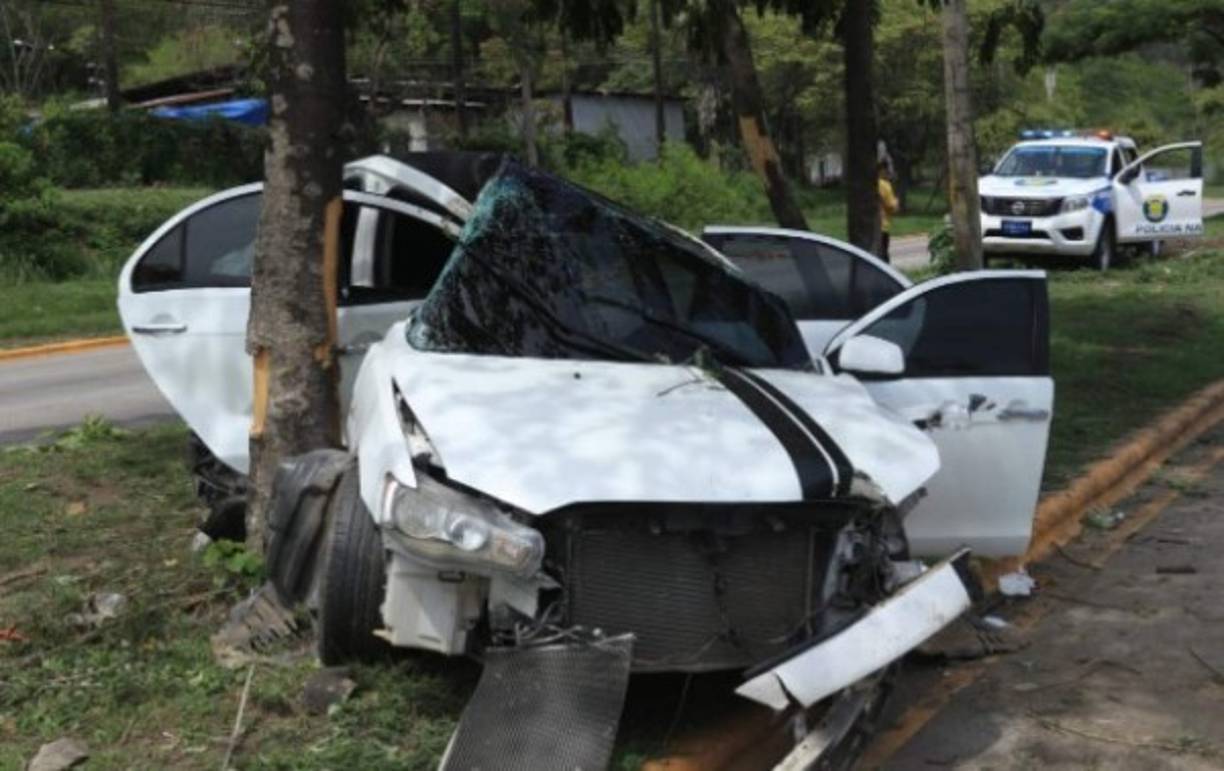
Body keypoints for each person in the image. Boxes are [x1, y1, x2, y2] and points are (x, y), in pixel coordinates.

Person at [877, 161, 900, 263]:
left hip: (869, 226)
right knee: (883, 256)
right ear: (882, 170)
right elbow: (891, 206)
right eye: (887, 170)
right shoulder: (885, 185)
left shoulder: (867, 184)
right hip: (882, 226)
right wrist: (896, 202)